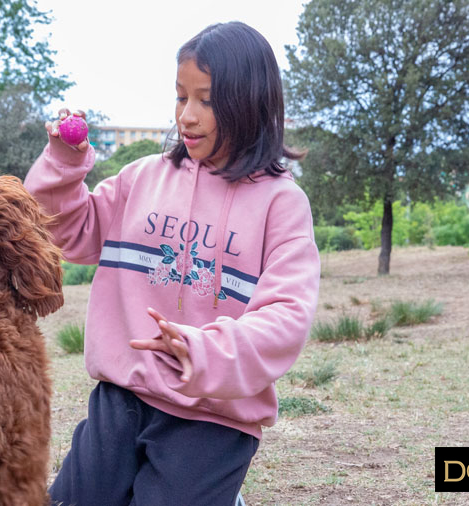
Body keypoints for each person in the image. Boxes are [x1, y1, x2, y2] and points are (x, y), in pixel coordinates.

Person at [24, 21, 320, 506]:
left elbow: (286, 317)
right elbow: (67, 231)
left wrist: (201, 351)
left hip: (216, 416)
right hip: (124, 395)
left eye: (206, 99)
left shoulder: (282, 204)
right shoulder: (142, 179)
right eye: (181, 97)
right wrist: (62, 162)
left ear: (250, 102)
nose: (188, 115)